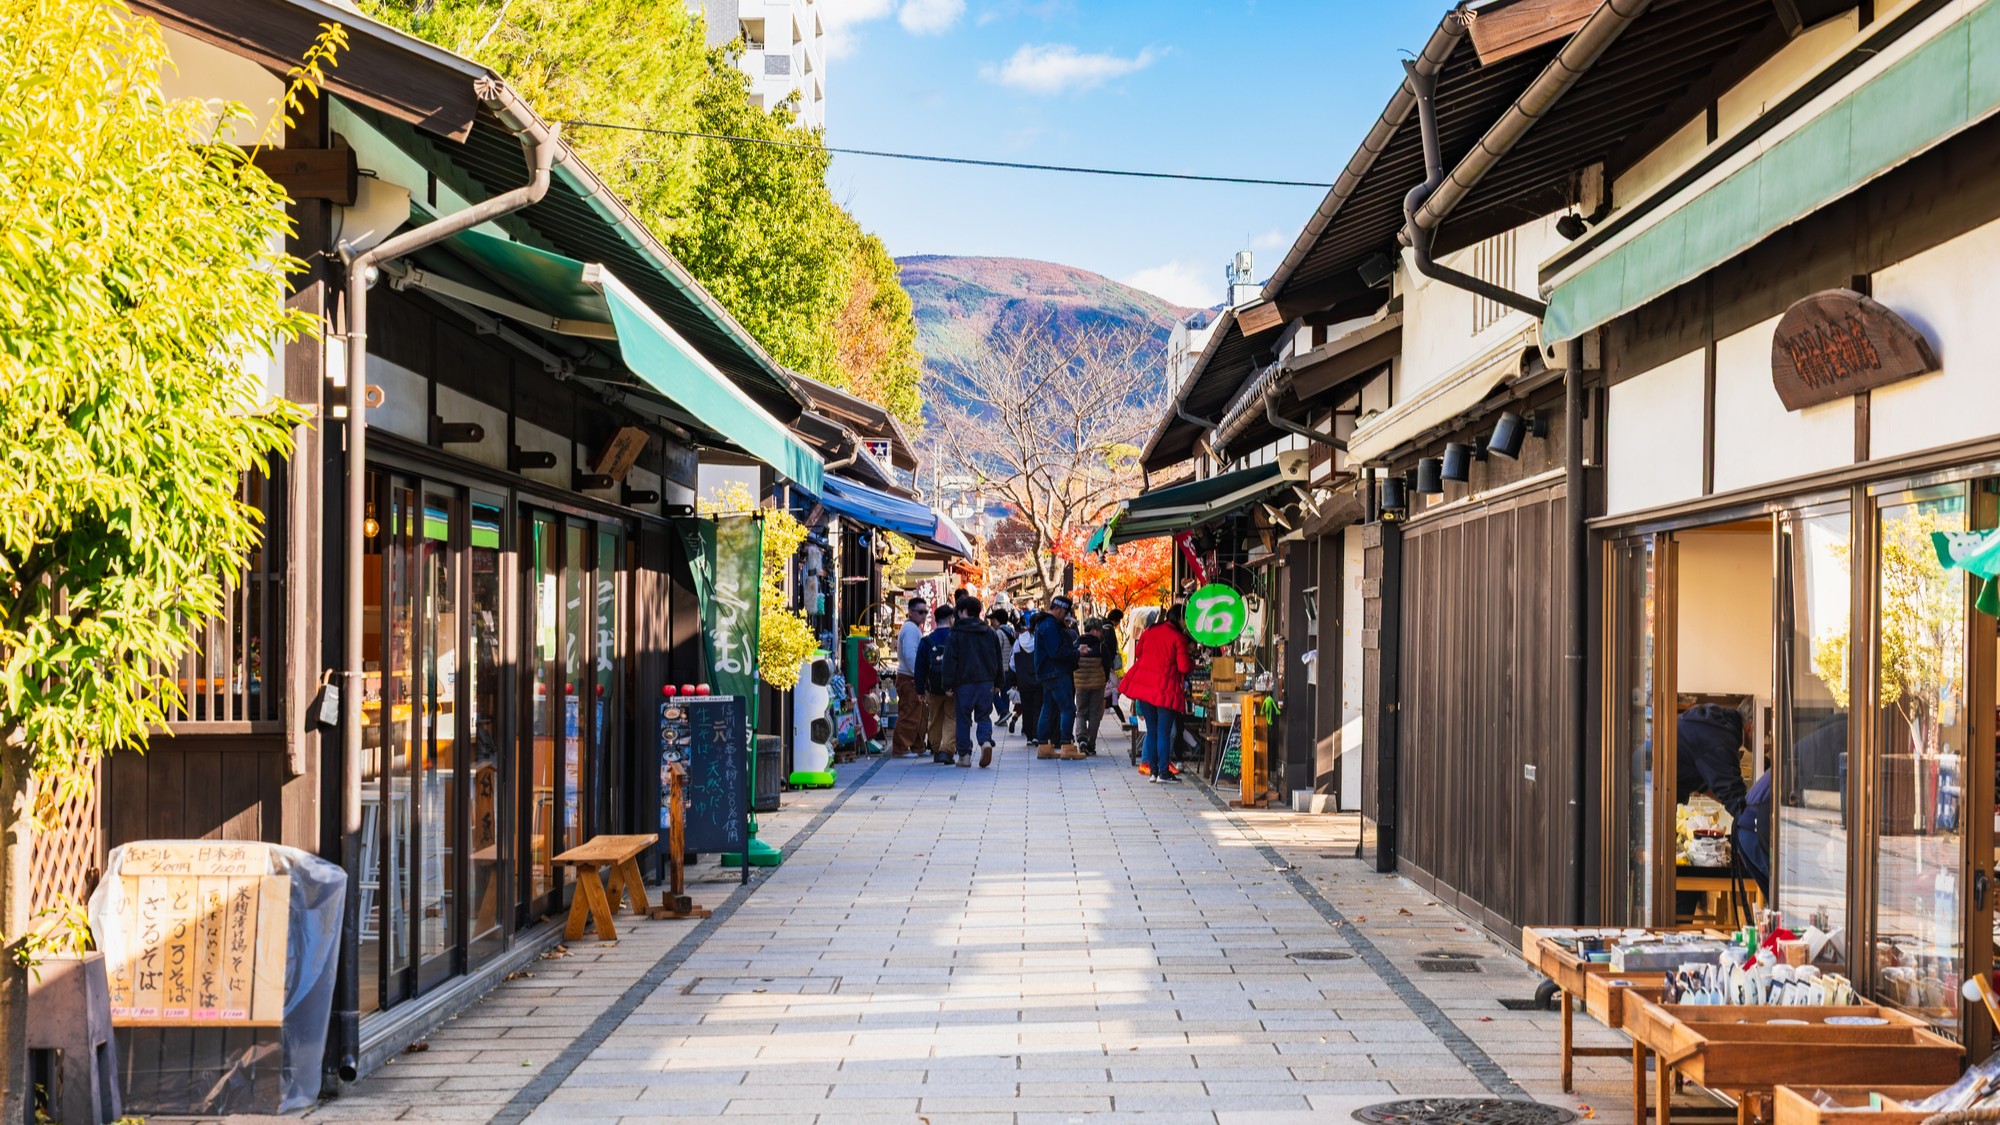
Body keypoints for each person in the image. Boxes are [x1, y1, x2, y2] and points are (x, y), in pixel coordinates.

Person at [1122, 604, 1194, 783]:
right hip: (1164, 689)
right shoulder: (1178, 638)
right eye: (1186, 620)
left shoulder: (1150, 631)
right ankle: (1163, 772)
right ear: (1179, 619)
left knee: (1152, 732)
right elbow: (1184, 666)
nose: (1187, 624)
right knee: (1164, 732)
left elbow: (1139, 653)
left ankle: (1153, 772)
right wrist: (1192, 663)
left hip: (1145, 687)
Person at [942, 596, 1006, 768]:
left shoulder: (955, 634)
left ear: (963, 612)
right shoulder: (989, 632)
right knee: (984, 716)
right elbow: (997, 659)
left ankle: (964, 756)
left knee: (963, 719)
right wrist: (999, 681)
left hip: (963, 683)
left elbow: (949, 661)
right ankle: (985, 741)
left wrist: (947, 684)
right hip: (986, 682)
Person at [1033, 596, 1082, 759]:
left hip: (1046, 673)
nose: (1065, 617)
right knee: (1068, 708)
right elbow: (1056, 652)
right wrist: (1077, 652)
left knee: (1048, 708)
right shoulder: (1050, 625)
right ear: (1059, 609)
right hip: (1056, 672)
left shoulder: (1042, 624)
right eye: (1065, 612)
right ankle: (1067, 745)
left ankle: (1043, 745)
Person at [915, 604, 957, 764]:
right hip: (952, 687)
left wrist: (919, 690)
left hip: (932, 687)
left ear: (935, 620)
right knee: (951, 718)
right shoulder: (955, 637)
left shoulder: (926, 641)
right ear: (951, 619)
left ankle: (936, 748)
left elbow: (919, 667)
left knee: (934, 718)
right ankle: (947, 750)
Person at [891, 599, 928, 757]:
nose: (924, 615)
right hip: (909, 677)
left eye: (925, 612)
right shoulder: (911, 629)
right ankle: (901, 747)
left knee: (918, 713)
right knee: (910, 713)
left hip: (909, 675)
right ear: (911, 612)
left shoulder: (911, 628)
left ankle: (917, 745)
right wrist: (918, 676)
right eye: (920, 612)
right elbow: (910, 655)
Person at [1073, 618, 1114, 756]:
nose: (1102, 634)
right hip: (1097, 685)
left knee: (1081, 712)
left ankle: (1081, 738)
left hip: (1081, 685)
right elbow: (1107, 666)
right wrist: (1105, 679)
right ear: (1095, 630)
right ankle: (1091, 745)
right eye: (1100, 631)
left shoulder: (1076, 644)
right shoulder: (1101, 647)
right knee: (1095, 715)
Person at [1010, 619, 1040, 737]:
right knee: (1038, 707)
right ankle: (1036, 734)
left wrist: (1013, 680)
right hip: (1038, 680)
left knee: (1026, 708)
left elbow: (1012, 664)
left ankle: (1028, 735)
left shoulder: (1018, 642)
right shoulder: (1039, 640)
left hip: (1023, 681)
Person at [988, 609, 1017, 724]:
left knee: (992, 692)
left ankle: (1003, 711)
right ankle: (1004, 717)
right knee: (1005, 693)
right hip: (1010, 668)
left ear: (998, 620)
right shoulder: (1011, 631)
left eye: (993, 620)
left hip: (1000, 668)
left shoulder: (999, 633)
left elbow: (996, 650)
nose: (991, 622)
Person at [1104, 608, 1130, 727]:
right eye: (1118, 621)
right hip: (1107, 667)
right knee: (1114, 690)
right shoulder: (1109, 631)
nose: (1118, 624)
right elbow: (1111, 650)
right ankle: (1123, 722)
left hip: (1101, 668)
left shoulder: (1101, 626)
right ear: (1115, 620)